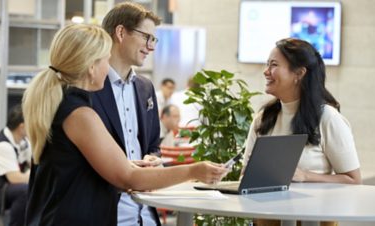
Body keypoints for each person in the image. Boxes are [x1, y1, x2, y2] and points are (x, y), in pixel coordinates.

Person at [22, 23, 227, 226]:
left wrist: (126, 163)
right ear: (91, 66)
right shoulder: (80, 115)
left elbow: (79, 166)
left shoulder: (62, 103)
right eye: (106, 60)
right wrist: (193, 171)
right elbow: (129, 179)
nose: (108, 66)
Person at [242, 38, 361, 226]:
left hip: (313, 220)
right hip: (267, 220)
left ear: (299, 73)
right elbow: (245, 175)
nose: (266, 72)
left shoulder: (328, 118)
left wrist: (306, 176)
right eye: (267, 65)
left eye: (273, 65)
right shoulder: (263, 118)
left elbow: (353, 180)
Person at [91, 2, 167, 225]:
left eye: (154, 39)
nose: (150, 47)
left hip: (145, 212)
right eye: (146, 37)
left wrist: (155, 159)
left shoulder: (145, 88)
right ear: (121, 32)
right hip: (106, 212)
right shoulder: (89, 86)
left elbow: (153, 144)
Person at [0, 104, 31, 226]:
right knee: (24, 191)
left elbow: (34, 162)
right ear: (22, 127)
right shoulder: (2, 146)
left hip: (5, 185)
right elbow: (15, 178)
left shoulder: (23, 142)